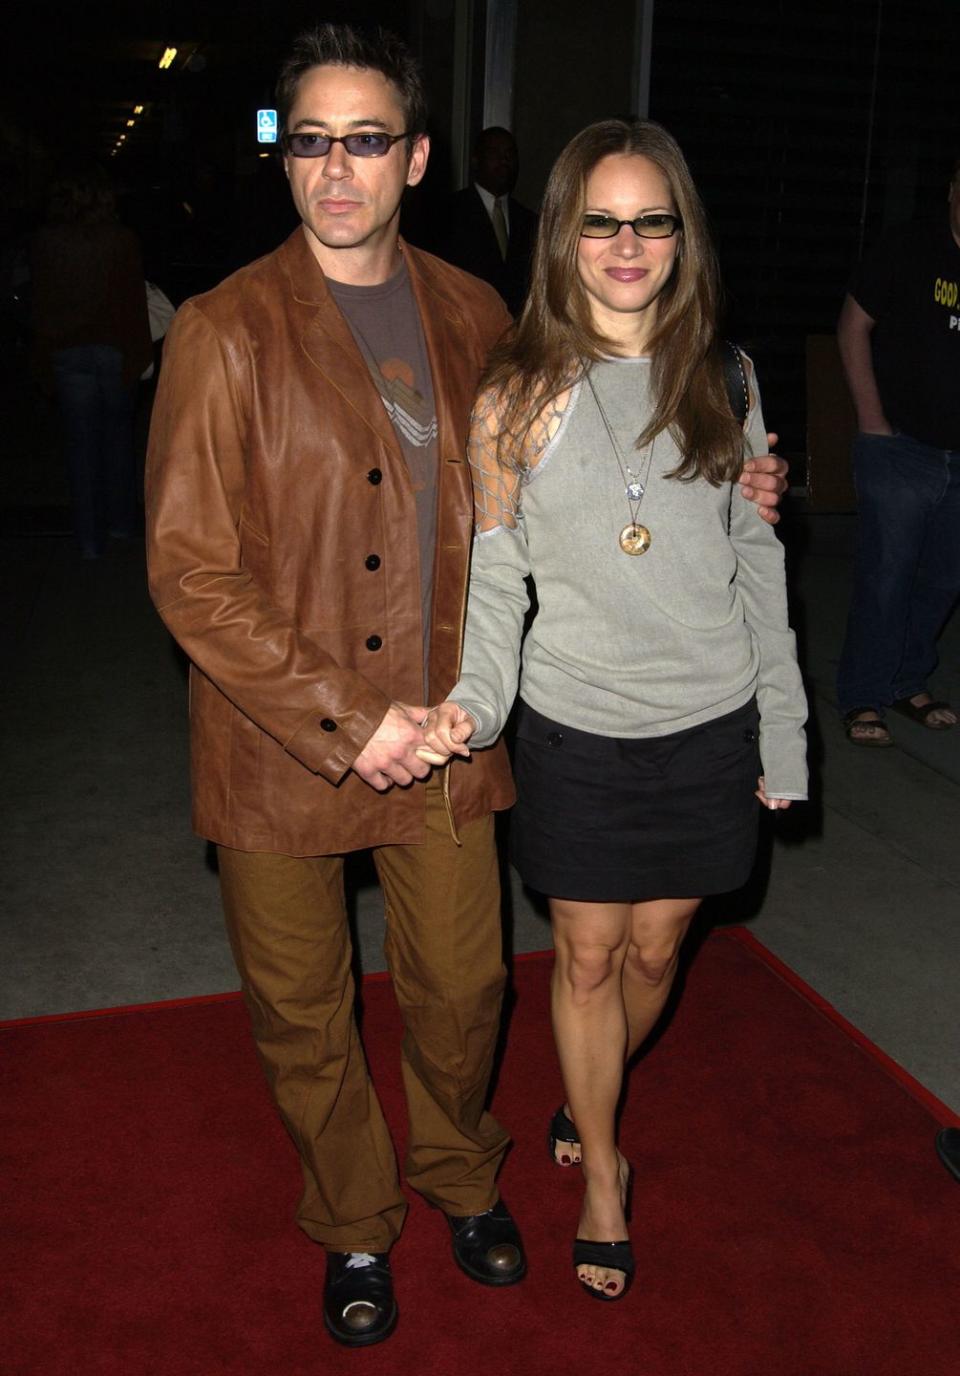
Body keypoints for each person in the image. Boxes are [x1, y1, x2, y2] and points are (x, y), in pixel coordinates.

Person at [146, 26, 788, 1346]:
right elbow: (191, 574)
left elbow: (537, 510)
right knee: (306, 1014)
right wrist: (344, 716)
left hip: (448, 722)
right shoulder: (221, 330)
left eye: (366, 140)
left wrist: (735, 489)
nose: (337, 170)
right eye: (310, 141)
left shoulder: (477, 312)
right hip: (284, 741)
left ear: (416, 157)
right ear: (287, 161)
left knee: (462, 989)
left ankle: (454, 1173)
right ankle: (354, 1223)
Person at [423, 118, 808, 1304]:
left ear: (682, 235)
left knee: (656, 947)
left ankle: (588, 1090)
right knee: (586, 956)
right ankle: (603, 1168)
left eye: (652, 219)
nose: (627, 243)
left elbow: (759, 569)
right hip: (577, 721)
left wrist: (786, 729)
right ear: (564, 236)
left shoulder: (727, 377)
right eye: (601, 219)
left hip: (706, 718)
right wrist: (475, 705)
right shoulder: (513, 394)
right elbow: (496, 579)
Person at [835, 157, 960, 746]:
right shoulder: (910, 247)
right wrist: (872, 422)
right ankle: (864, 695)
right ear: (954, 189)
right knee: (886, 578)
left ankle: (909, 682)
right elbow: (853, 325)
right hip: (901, 445)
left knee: (942, 579)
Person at [31, 166, 152, 559]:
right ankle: (121, 524)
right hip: (115, 349)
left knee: (81, 448)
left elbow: (41, 304)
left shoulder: (46, 242)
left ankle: (89, 541)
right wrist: (140, 357)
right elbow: (134, 304)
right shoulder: (122, 240)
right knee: (120, 442)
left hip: (67, 351)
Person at [435, 127, 538, 315]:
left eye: (509, 154)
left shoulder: (530, 222)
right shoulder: (446, 213)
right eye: (494, 153)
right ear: (476, 160)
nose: (504, 160)